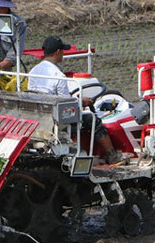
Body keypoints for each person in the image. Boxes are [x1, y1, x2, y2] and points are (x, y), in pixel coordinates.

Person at [28, 36, 122, 165]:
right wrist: (82, 102)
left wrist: (76, 100)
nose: (63, 54)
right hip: (56, 120)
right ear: (57, 52)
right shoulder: (58, 75)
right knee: (93, 120)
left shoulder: (33, 71)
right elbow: (66, 103)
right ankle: (112, 155)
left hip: (40, 115)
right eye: (62, 51)